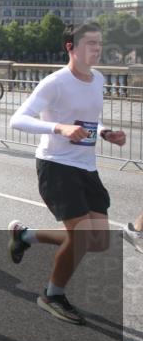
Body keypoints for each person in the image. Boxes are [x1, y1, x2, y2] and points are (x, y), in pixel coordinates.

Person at [7, 22, 126, 324]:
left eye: (99, 43)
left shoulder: (97, 79)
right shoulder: (55, 82)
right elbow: (18, 119)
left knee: (98, 240)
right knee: (83, 235)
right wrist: (57, 127)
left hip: (87, 166)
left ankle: (25, 235)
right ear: (71, 48)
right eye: (90, 44)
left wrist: (105, 131)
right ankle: (52, 294)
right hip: (56, 165)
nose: (96, 49)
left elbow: (86, 121)